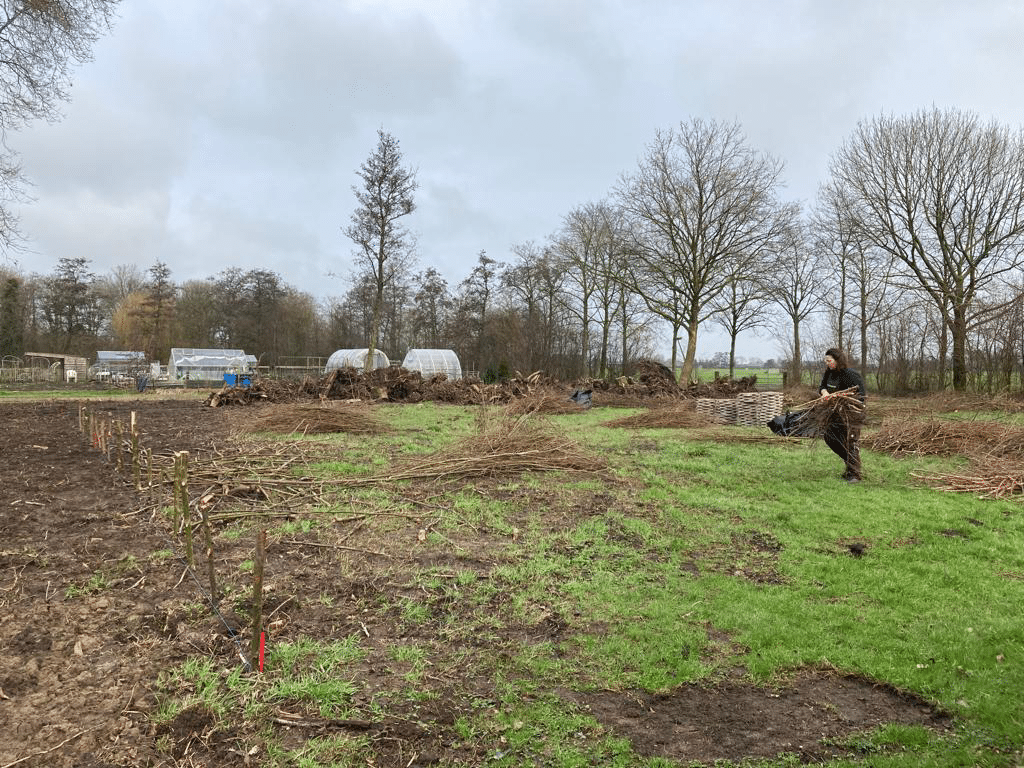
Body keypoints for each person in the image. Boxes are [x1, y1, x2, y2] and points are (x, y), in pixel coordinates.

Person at [818, 347, 865, 482]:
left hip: (851, 413)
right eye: (825, 360)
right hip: (834, 413)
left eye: (829, 360)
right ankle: (852, 465)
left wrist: (841, 398)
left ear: (837, 360)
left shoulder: (850, 374)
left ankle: (854, 474)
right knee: (830, 437)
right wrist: (825, 393)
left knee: (851, 442)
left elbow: (860, 395)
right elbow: (821, 387)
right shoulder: (829, 373)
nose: (827, 363)